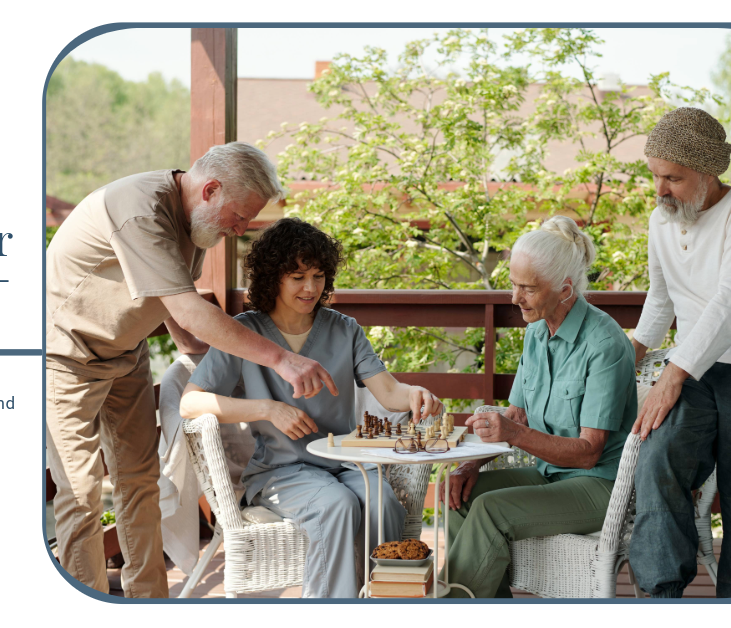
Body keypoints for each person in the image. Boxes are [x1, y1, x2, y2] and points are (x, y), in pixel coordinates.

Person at [45, 143, 339, 597]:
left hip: (125, 355)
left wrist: (193, 355)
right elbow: (191, 311)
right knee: (81, 493)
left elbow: (167, 295)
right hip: (65, 355)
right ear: (211, 190)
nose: (241, 230)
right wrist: (282, 358)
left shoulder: (197, 223)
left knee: (139, 482)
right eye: (239, 217)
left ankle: (150, 604)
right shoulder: (139, 210)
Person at [178, 218, 442, 598]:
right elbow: (190, 402)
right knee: (336, 506)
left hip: (347, 463)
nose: (310, 288)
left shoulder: (344, 329)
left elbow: (389, 393)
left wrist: (415, 393)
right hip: (282, 471)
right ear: (273, 277)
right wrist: (267, 409)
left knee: (383, 503)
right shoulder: (244, 332)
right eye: (298, 276)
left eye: (318, 276)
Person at [442, 216, 637, 598]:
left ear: (565, 289)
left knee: (489, 510)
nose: (515, 299)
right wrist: (470, 465)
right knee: (459, 496)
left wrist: (514, 433)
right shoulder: (536, 332)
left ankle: (449, 613)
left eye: (527, 289)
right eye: (513, 285)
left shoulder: (605, 344)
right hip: (550, 474)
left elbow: (588, 453)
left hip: (601, 486)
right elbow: (515, 415)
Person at [628, 107, 731, 598]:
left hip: (708, 369)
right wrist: (630, 354)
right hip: (693, 373)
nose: (660, 190)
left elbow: (725, 305)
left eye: (673, 178)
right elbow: (661, 296)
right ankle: (661, 598)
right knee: (659, 457)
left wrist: (672, 373)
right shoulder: (660, 219)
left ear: (708, 174)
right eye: (656, 176)